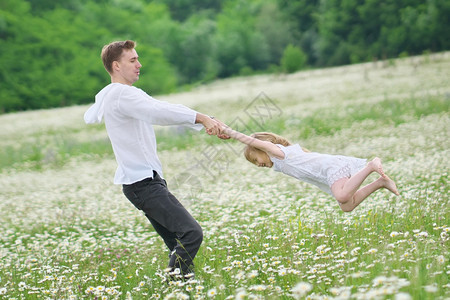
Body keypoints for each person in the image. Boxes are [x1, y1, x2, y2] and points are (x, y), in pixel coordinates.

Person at [84, 40, 227, 280]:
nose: (139, 65)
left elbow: (160, 107)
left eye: (138, 59)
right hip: (143, 184)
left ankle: (182, 290)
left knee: (178, 244)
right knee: (191, 233)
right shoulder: (120, 95)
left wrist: (205, 121)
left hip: (145, 182)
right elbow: (158, 113)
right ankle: (174, 288)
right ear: (116, 66)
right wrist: (201, 118)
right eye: (133, 60)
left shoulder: (124, 94)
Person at [222, 127, 399, 212]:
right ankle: (380, 183)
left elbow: (251, 141)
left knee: (342, 196)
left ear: (264, 148)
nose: (258, 164)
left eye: (255, 159)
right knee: (347, 206)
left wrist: (227, 131)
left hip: (330, 167)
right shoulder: (280, 160)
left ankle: (370, 166)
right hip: (325, 175)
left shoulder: (279, 153)